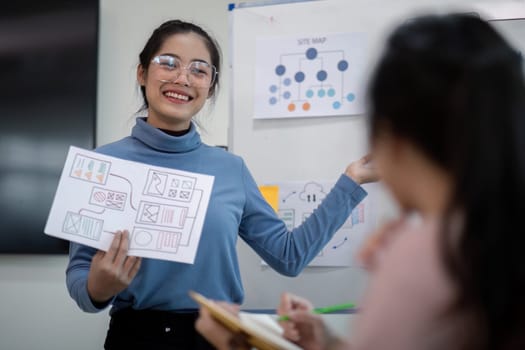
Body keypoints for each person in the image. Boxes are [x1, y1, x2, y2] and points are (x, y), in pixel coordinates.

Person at [196, 13, 525, 350]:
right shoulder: (488, 236)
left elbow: (288, 254)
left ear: (393, 136)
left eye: (199, 69)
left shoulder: (423, 254)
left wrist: (236, 347)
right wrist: (331, 344)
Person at [65, 19, 377, 349]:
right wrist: (98, 288)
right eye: (168, 63)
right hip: (136, 337)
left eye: (199, 70)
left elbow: (289, 256)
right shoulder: (103, 165)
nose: (182, 78)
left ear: (210, 87)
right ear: (142, 73)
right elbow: (79, 278)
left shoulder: (230, 169)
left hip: (219, 338)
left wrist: (351, 181)